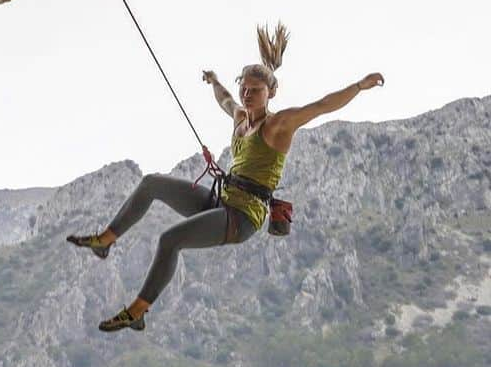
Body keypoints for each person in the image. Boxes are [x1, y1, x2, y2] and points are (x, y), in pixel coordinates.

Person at [66, 23, 384, 332]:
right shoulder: (239, 118)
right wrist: (215, 80)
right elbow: (224, 99)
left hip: (242, 216)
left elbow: (322, 106)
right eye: (244, 88)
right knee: (152, 183)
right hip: (221, 200)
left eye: (255, 91)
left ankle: (137, 311)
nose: (246, 95)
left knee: (169, 240)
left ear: (271, 93)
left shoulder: (278, 126)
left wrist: (359, 86)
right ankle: (106, 240)